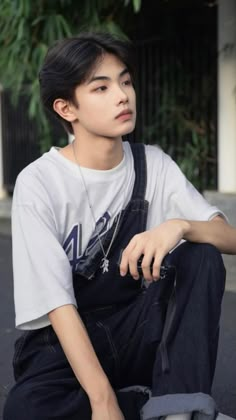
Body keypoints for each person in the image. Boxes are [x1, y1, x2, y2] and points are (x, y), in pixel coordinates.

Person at [3, 32, 236, 420]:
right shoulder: (40, 182)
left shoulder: (152, 165)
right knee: (24, 410)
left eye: (125, 81)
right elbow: (57, 305)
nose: (123, 95)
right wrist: (101, 400)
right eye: (101, 87)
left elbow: (229, 238)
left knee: (201, 256)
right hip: (62, 345)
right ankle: (141, 404)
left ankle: (180, 410)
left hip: (134, 328)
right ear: (66, 108)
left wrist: (179, 226)